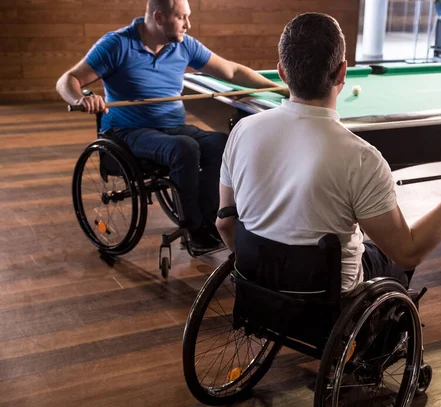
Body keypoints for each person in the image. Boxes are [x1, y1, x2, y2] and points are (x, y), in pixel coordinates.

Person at [216, 13, 441, 293]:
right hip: (329, 301)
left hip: (257, 289)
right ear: (343, 72)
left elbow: (225, 223)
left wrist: (262, 273)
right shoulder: (361, 158)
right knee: (390, 259)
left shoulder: (242, 131)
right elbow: (408, 252)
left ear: (282, 72)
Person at [56, 0, 287, 255]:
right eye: (182, 18)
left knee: (221, 143)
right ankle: (194, 228)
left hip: (173, 128)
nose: (188, 25)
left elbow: (231, 72)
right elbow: (68, 80)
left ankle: (211, 218)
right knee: (184, 148)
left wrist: (280, 88)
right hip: (127, 132)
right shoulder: (117, 44)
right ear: (159, 17)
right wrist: (82, 98)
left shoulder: (184, 45)